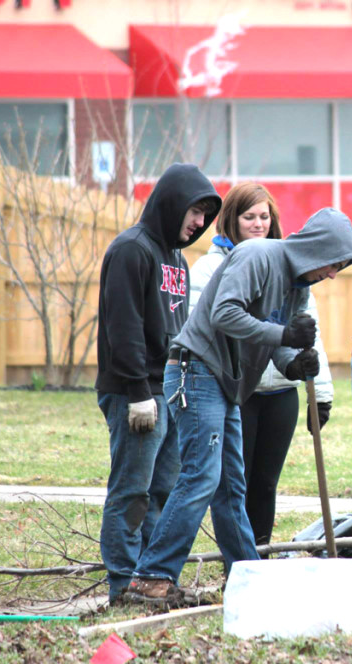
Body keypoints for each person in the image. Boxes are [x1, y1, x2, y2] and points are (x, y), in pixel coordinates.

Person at [124, 207, 352, 606]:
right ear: (318, 250)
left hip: (228, 382)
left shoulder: (296, 286)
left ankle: (247, 575)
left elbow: (273, 344)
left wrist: (293, 361)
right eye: (334, 263)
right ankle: (151, 576)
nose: (334, 274)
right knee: (201, 476)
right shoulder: (257, 256)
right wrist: (284, 331)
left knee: (232, 489)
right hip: (196, 370)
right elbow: (224, 314)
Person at [94, 163, 221, 606]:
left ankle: (149, 580)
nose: (199, 223)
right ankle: (121, 584)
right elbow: (122, 325)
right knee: (132, 488)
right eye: (195, 211)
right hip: (135, 393)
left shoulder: (177, 260)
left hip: (165, 390)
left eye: (206, 216)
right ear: (172, 201)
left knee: (163, 489)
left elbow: (178, 328)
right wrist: (135, 393)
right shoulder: (132, 250)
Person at [188, 182, 335, 551]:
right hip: (237, 389)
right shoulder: (210, 268)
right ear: (231, 221)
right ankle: (239, 559)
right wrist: (282, 336)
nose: (257, 224)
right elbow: (211, 327)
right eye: (248, 216)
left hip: (281, 390)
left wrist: (319, 388)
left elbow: (306, 333)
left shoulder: (293, 272)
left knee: (266, 483)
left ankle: (261, 555)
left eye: (264, 217)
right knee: (236, 481)